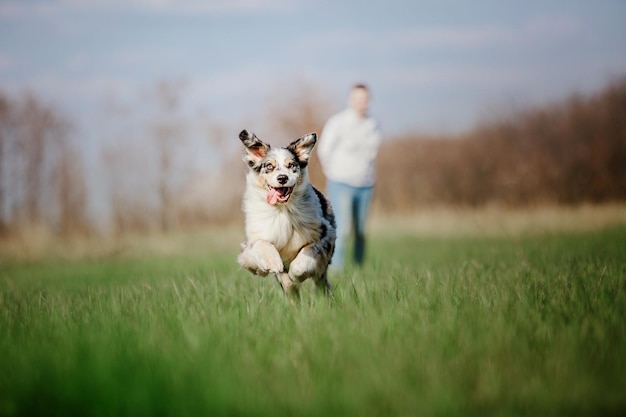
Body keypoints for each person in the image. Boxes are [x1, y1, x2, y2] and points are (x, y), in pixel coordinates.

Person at [317, 83, 382, 270]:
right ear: (350, 100)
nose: (361, 102)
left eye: (365, 99)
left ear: (369, 101)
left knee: (361, 231)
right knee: (343, 230)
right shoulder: (338, 122)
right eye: (357, 98)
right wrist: (331, 173)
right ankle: (336, 272)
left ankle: (359, 269)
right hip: (341, 182)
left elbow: (371, 155)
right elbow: (324, 150)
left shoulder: (373, 125)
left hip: (366, 184)